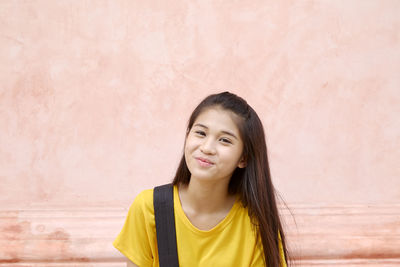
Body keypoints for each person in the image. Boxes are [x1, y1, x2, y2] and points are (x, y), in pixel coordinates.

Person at [113, 91, 290, 266]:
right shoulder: (149, 208)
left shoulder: (256, 224)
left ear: (243, 158)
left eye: (224, 140)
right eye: (201, 133)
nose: (207, 148)